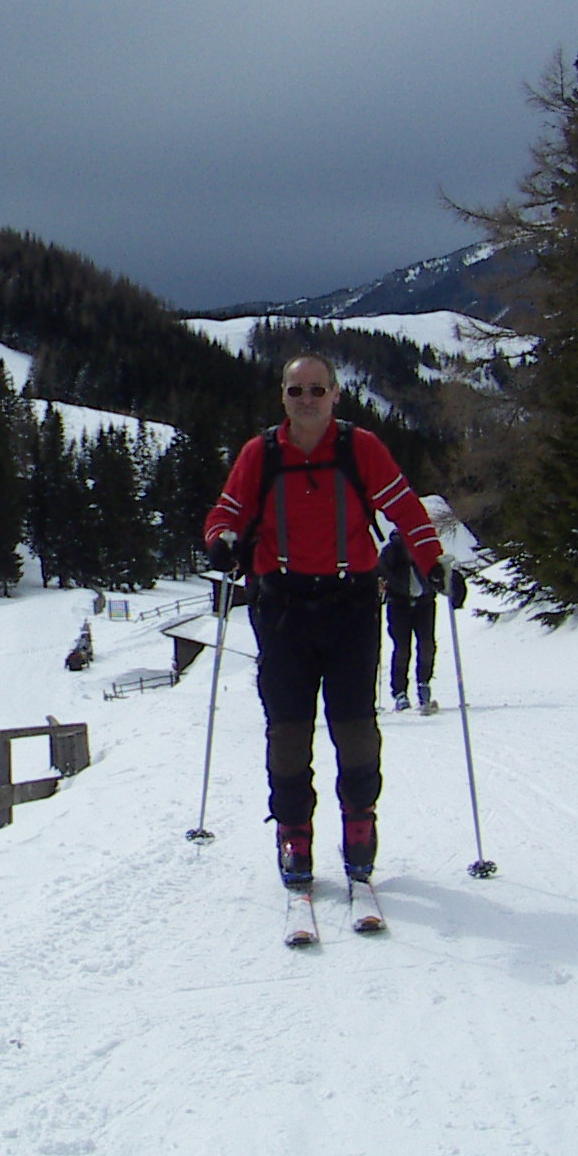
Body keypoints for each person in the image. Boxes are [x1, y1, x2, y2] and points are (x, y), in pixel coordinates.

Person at [203, 353, 444, 887]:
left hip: (350, 603)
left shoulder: (360, 448)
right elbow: (226, 511)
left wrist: (433, 562)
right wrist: (221, 540)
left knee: (355, 726)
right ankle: (294, 833)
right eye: (296, 391)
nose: (307, 400)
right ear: (283, 397)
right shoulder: (261, 453)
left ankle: (359, 823)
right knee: (288, 728)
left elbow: (405, 509)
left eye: (317, 390)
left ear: (336, 393)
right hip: (281, 605)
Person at [379, 527, 463, 713]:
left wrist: (449, 586)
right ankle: (400, 692)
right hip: (399, 603)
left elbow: (439, 571)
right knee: (402, 648)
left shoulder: (425, 548)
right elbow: (381, 572)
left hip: (425, 602)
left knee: (426, 644)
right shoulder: (391, 551)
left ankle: (423, 683)